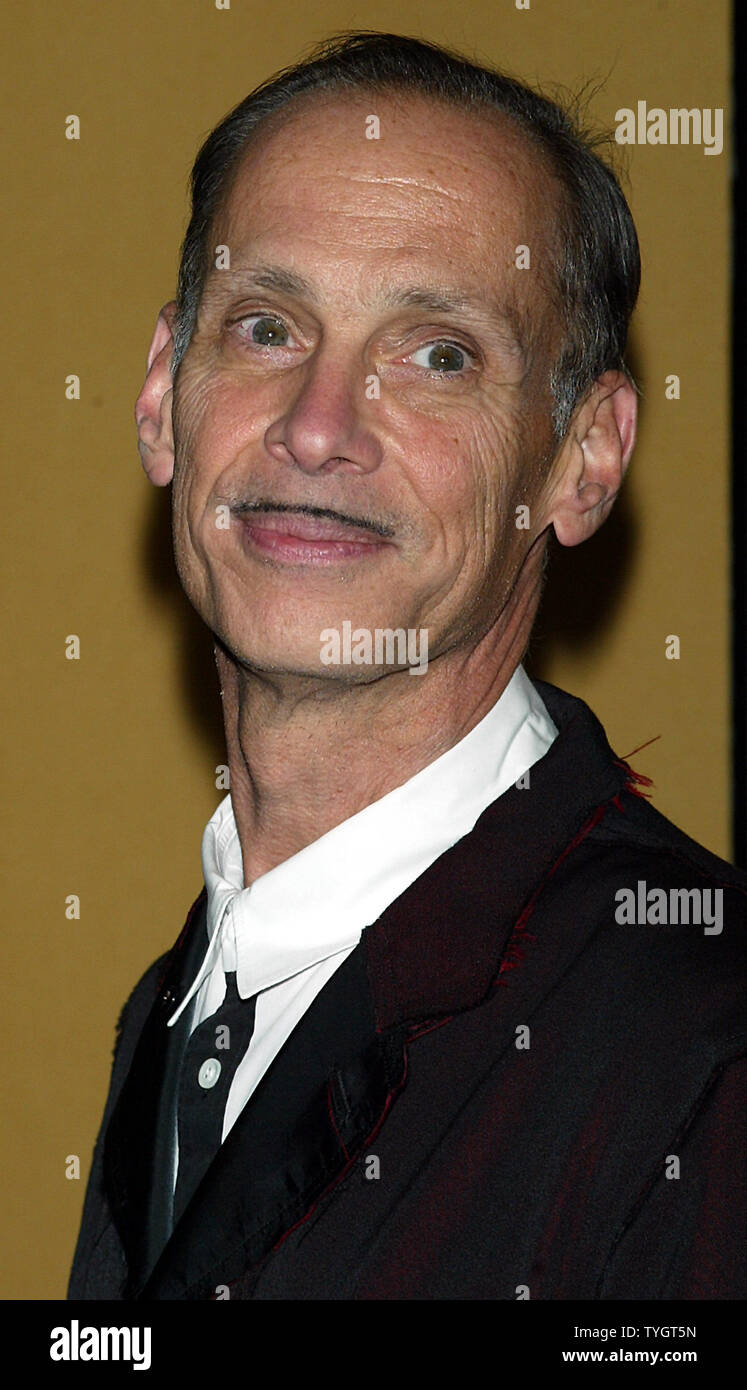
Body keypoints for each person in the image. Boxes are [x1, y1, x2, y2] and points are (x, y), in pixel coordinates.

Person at [68, 31, 747, 1301]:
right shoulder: (193, 1005)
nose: (317, 426)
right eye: (267, 328)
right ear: (165, 390)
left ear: (582, 460)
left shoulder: (699, 1060)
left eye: (437, 354)